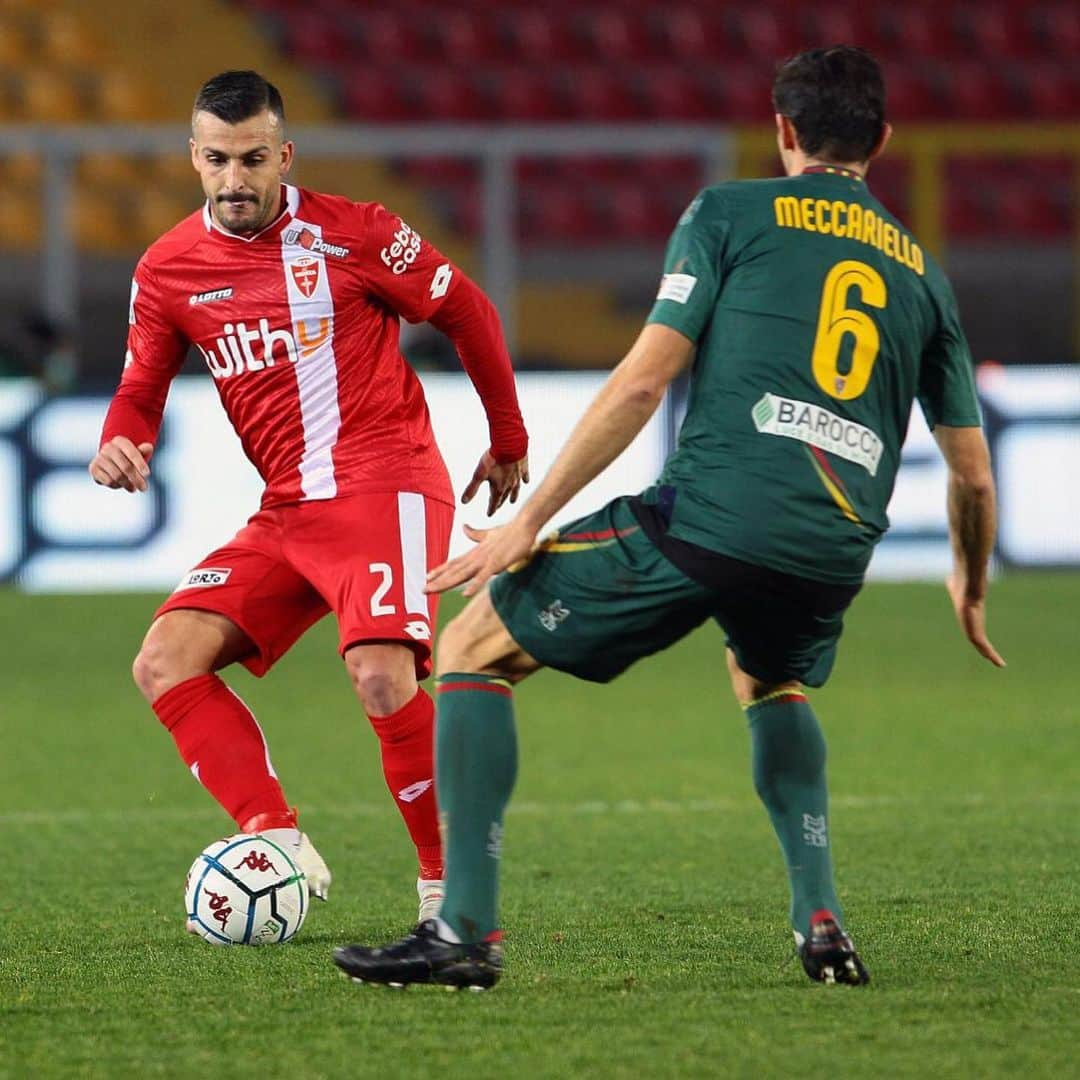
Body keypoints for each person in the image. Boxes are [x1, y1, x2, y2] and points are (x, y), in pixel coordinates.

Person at [332, 46, 1005, 990]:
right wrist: (970, 585)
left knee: (473, 645)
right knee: (767, 675)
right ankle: (822, 922)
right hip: (834, 547)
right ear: (882, 142)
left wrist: (530, 518)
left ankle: (463, 932)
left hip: (720, 514)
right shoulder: (924, 274)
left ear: (782, 130)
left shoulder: (730, 212)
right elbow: (972, 477)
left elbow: (646, 380)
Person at [88, 70, 529, 928]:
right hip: (288, 509)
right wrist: (120, 437)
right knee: (164, 660)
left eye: (253, 159)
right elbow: (141, 385)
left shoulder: (356, 234)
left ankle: (452, 890)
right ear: (193, 158)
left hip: (385, 480)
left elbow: (467, 310)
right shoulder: (170, 268)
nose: (235, 179)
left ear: (284, 154)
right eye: (217, 160)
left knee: (378, 672)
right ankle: (275, 839)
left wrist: (507, 440)